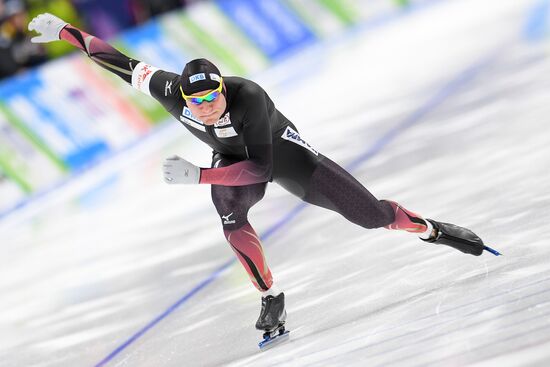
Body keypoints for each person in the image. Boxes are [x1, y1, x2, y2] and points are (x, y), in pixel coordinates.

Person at [27, 13, 497, 339]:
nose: (206, 107)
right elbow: (117, 60)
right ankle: (270, 297)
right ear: (183, 99)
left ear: (222, 88)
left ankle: (433, 230)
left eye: (212, 97)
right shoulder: (170, 89)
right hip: (231, 162)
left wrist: (198, 177)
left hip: (280, 153)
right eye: (197, 103)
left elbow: (261, 168)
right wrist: (66, 31)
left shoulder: (248, 96)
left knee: (370, 216)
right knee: (231, 219)